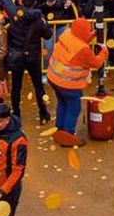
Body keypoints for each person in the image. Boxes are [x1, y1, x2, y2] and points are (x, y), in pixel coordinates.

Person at [45, 17, 106, 147]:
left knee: (62, 104)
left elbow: (80, 39)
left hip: (54, 78)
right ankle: (67, 135)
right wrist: (104, 52)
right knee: (73, 108)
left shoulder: (67, 33)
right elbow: (96, 62)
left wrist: (92, 34)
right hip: (68, 84)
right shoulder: (82, 49)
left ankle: (59, 130)